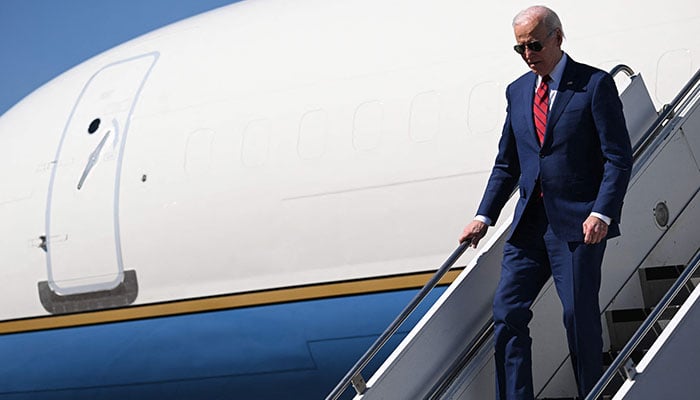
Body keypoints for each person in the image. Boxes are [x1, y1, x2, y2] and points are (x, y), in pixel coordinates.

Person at [458, 5, 633, 400]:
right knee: (506, 314)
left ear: (557, 37)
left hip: (577, 226)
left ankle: (593, 392)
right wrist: (484, 215)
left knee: (577, 317)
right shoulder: (518, 91)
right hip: (529, 226)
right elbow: (508, 163)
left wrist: (601, 211)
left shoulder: (593, 85)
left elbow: (618, 157)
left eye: (534, 45)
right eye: (519, 48)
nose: (528, 55)